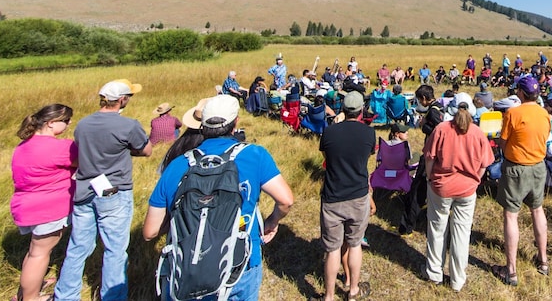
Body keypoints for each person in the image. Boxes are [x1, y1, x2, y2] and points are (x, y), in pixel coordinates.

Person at [143, 95, 295, 300]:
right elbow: (286, 200)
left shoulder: (177, 165)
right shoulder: (254, 155)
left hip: (188, 267)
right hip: (240, 264)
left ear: (202, 125)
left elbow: (150, 232)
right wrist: (272, 222)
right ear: (235, 123)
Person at [55, 79, 153, 301]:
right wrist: (126, 150)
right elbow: (146, 150)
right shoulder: (128, 125)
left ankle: (65, 295)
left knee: (77, 247)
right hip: (114, 191)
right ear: (122, 100)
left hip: (84, 189)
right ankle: (113, 296)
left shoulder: (83, 124)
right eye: (129, 97)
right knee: (115, 250)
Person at [422, 93, 494, 292]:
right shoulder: (478, 133)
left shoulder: (441, 129)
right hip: (467, 189)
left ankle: (434, 272)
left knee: (437, 229)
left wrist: (430, 178)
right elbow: (485, 163)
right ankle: (457, 279)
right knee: (462, 234)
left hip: (441, 187)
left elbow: (429, 158)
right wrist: (475, 180)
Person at [11, 104, 77, 301]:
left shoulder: (23, 146)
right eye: (66, 121)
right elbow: (85, 161)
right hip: (49, 208)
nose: (69, 124)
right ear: (51, 123)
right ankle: (31, 298)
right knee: (39, 254)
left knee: (34, 252)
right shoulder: (61, 147)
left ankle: (26, 292)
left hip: (25, 206)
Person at [316, 92, 376, 301]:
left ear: (343, 109)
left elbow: (326, 160)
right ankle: (353, 290)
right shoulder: (369, 133)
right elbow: (365, 159)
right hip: (358, 195)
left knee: (332, 249)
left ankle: (329, 296)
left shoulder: (329, 132)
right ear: (361, 111)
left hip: (333, 195)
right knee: (355, 243)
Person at [492, 76, 551, 286]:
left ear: (521, 93)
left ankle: (511, 270)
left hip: (516, 167)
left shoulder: (513, 113)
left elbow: (503, 142)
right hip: (539, 166)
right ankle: (543, 260)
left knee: (511, 215)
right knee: (537, 209)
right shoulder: (545, 114)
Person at [399, 85, 444, 236]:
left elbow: (439, 131)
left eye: (419, 100)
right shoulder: (440, 107)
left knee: (417, 187)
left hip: (430, 154)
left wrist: (424, 125)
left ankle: (407, 225)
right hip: (438, 155)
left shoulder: (433, 111)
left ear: (424, 98)